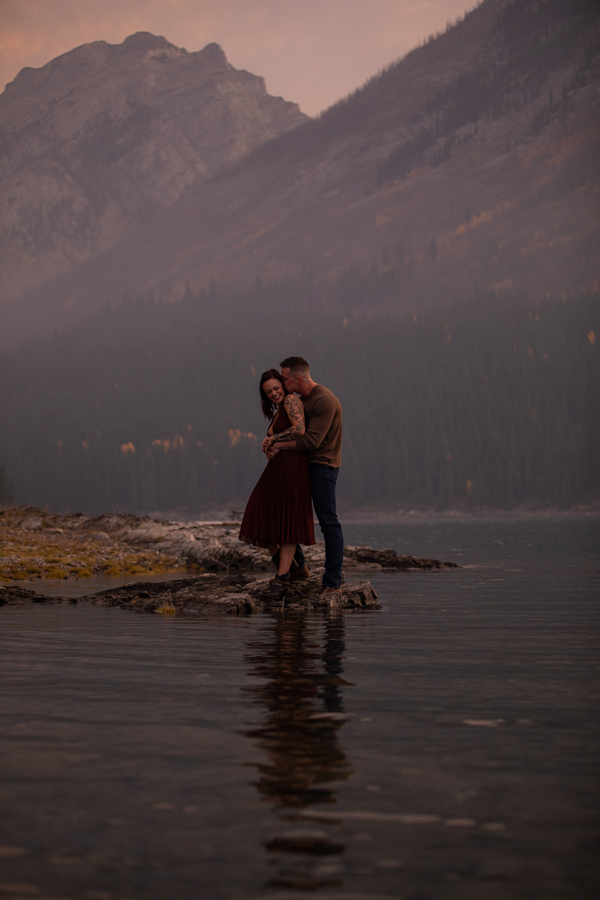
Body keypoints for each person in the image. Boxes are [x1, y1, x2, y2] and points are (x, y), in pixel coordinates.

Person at [263, 357, 343, 596]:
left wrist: (277, 445)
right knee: (286, 516)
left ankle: (332, 584)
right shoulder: (298, 400)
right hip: (300, 466)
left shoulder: (324, 400)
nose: (281, 382)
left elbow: (311, 440)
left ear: (298, 379)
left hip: (323, 466)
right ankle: (297, 568)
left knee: (329, 523)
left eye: (284, 379)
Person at [239, 369, 315, 600]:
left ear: (283, 385)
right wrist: (268, 445)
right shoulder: (278, 410)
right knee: (257, 514)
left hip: (293, 468)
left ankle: (282, 578)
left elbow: (300, 429)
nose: (273, 393)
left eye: (275, 388)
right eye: (268, 391)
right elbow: (283, 434)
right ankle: (297, 567)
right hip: (277, 470)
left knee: (287, 523)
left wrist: (274, 439)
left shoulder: (292, 400)